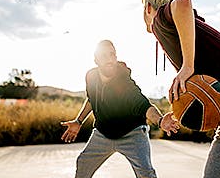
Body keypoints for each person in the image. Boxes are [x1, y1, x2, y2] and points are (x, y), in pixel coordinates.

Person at [141, 0, 220, 178]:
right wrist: (182, 107)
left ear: (148, 8)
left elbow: (183, 3)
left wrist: (187, 67)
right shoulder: (187, 28)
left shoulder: (161, 19)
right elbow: (206, 84)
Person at [61, 39, 179, 178]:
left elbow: (143, 105)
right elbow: (92, 99)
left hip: (132, 133)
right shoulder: (91, 76)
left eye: (112, 55)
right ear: (96, 60)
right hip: (103, 134)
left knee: (146, 173)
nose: (110, 59)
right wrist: (79, 121)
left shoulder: (124, 82)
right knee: (83, 163)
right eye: (104, 56)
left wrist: (159, 121)